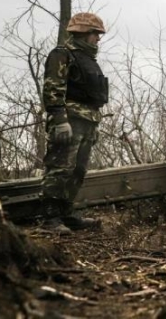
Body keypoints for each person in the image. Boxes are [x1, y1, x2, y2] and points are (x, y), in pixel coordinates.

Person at [40, 12, 109, 234]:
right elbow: (53, 89)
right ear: (83, 33)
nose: (98, 38)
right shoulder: (62, 54)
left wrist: (94, 125)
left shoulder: (88, 60)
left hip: (87, 121)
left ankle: (66, 213)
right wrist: (60, 120)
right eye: (95, 33)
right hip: (69, 120)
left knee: (78, 170)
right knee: (60, 168)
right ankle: (50, 218)